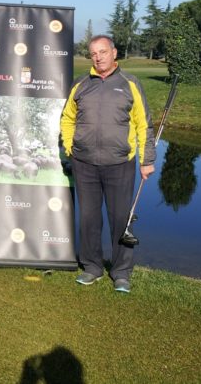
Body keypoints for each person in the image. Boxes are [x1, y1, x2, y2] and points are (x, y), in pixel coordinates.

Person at [60, 35, 155, 293]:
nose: (98, 57)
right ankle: (92, 267)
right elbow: (67, 119)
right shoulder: (81, 84)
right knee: (89, 218)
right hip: (85, 163)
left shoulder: (130, 84)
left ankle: (121, 272)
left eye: (103, 52)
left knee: (121, 220)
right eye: (93, 53)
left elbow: (144, 125)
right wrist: (71, 147)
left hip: (119, 164)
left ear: (114, 53)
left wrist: (147, 160)